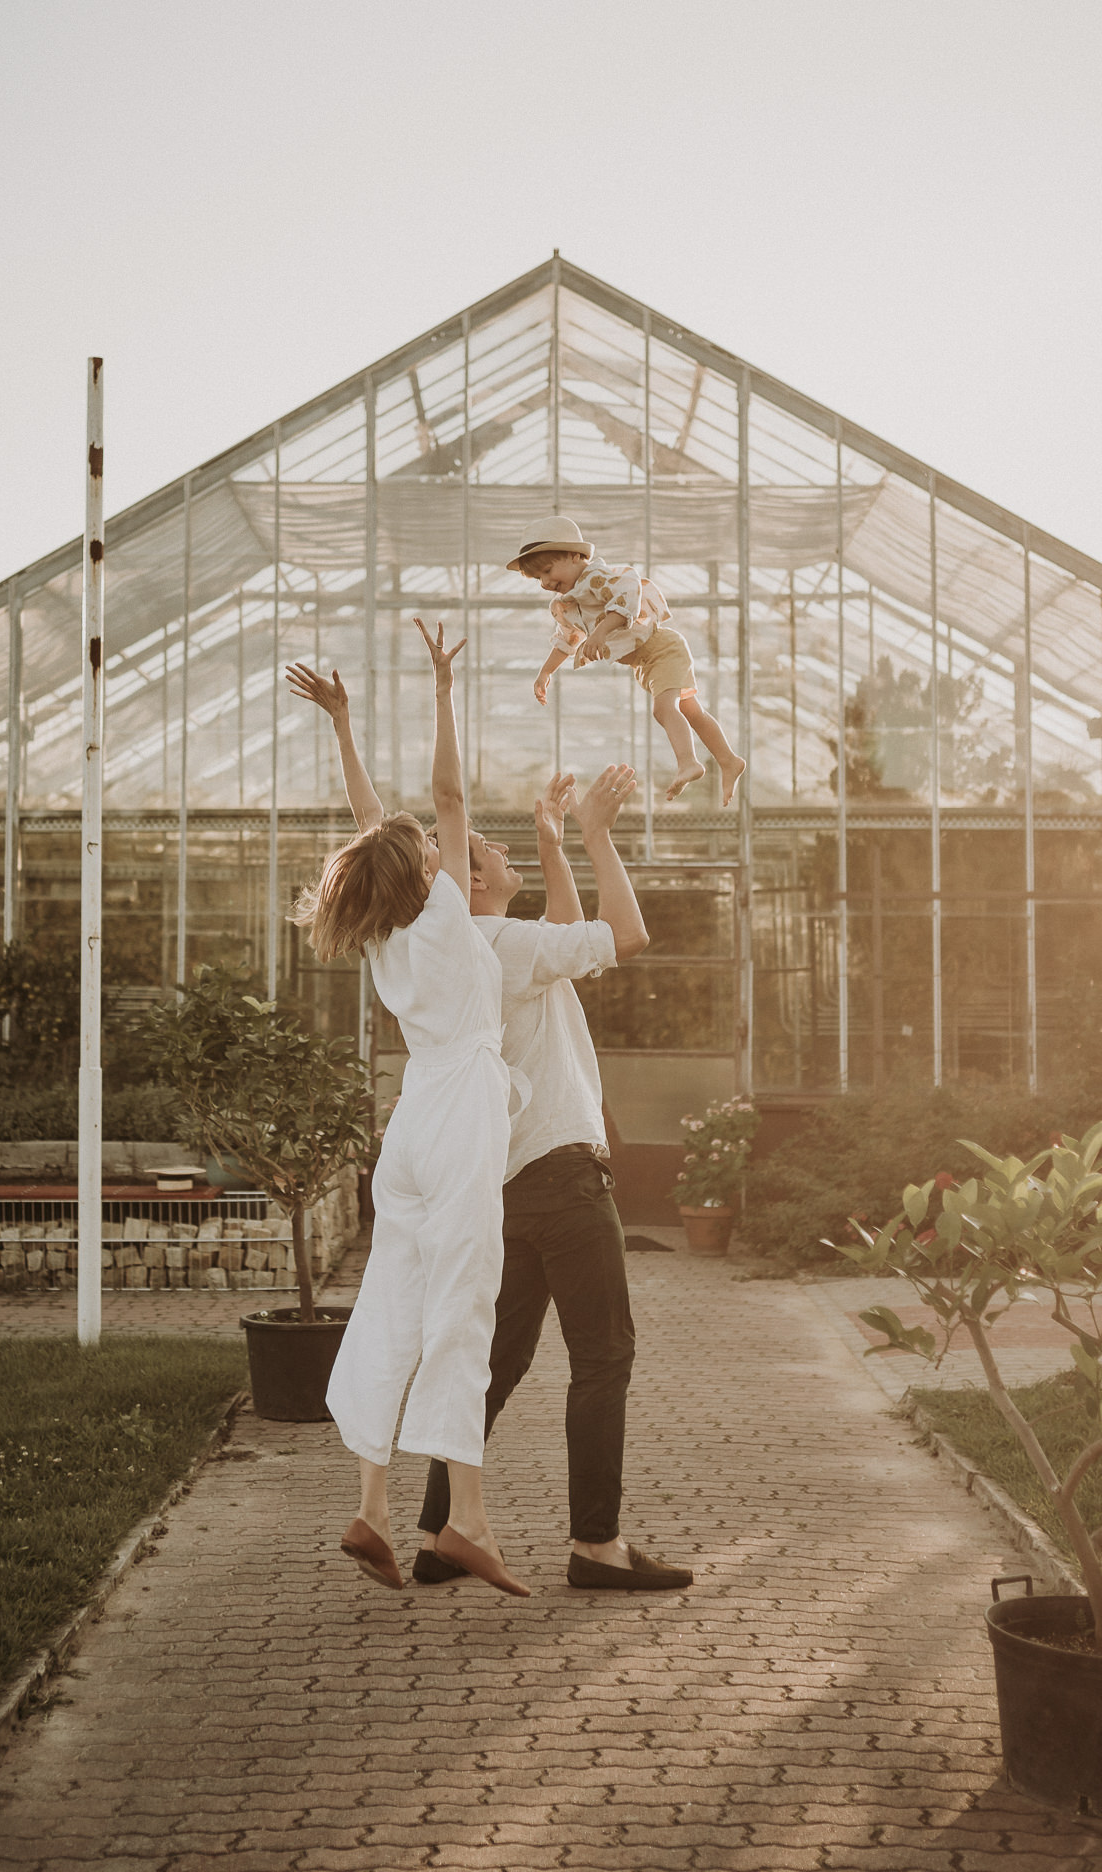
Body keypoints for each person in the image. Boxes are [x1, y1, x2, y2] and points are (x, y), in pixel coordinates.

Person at [287, 620, 529, 1599]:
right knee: (464, 1305)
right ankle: (466, 1523)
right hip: (463, 1107)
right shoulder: (437, 909)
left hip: (411, 1122)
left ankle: (374, 1509)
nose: (441, 843)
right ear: (422, 868)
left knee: (395, 1303)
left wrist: (345, 727)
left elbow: (375, 823)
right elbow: (442, 799)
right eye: (432, 846)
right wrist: (439, 692)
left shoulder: (390, 928)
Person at [413, 762, 695, 1592]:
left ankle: (435, 1535)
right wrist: (600, 836)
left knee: (493, 1367)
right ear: (468, 877)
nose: (501, 849)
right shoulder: (499, 942)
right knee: (604, 1357)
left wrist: (549, 840)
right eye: (493, 847)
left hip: (508, 1187)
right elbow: (624, 936)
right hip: (564, 1179)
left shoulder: (476, 951)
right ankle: (596, 1546)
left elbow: (566, 943)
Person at [510, 515, 745, 806]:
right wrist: (545, 672)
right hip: (645, 663)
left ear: (575, 556)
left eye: (547, 570)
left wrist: (600, 632)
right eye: (538, 579)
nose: (545, 582)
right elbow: (567, 639)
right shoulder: (570, 604)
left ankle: (689, 762)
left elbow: (627, 597)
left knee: (664, 709)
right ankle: (729, 760)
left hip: (661, 649)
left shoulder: (597, 578)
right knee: (691, 711)